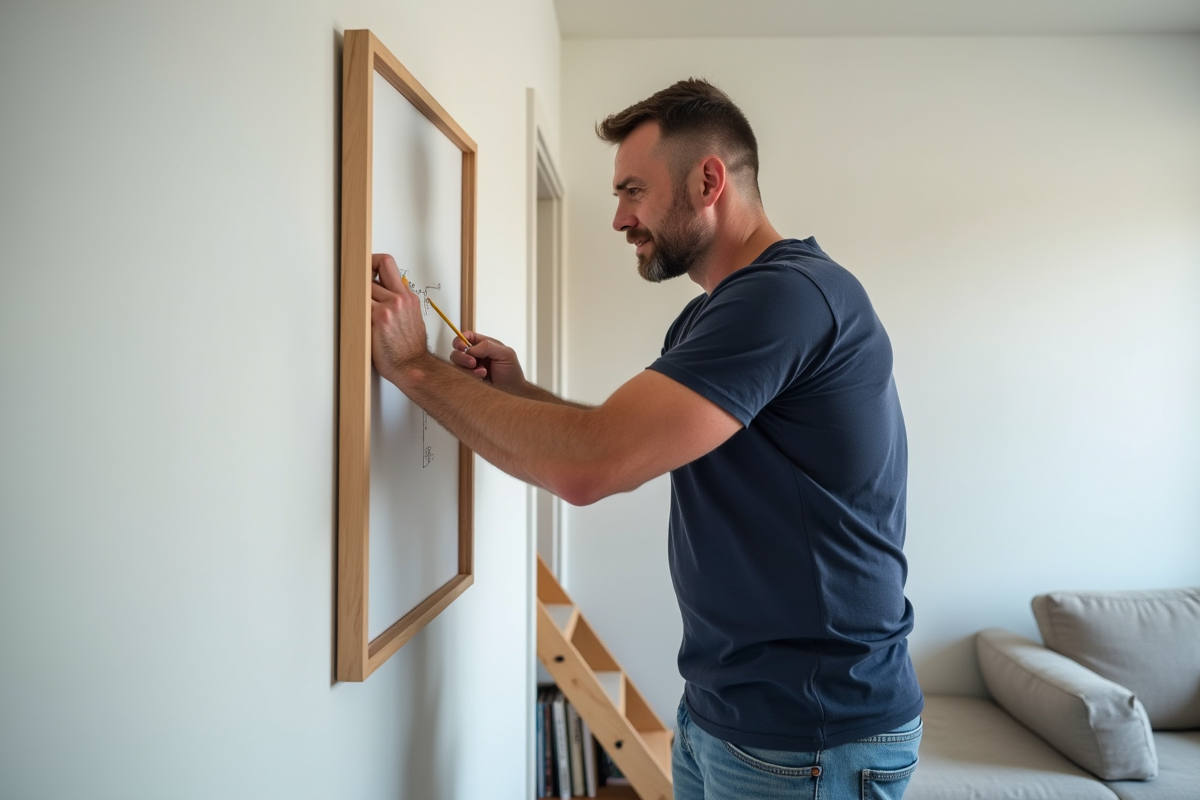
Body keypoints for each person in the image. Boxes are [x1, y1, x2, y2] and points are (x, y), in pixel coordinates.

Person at [370, 78, 923, 800]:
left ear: (708, 180)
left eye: (632, 189)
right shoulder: (712, 315)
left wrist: (411, 367)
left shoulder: (783, 298)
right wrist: (517, 393)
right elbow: (626, 437)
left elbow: (591, 466)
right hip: (729, 714)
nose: (618, 218)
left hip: (809, 734)